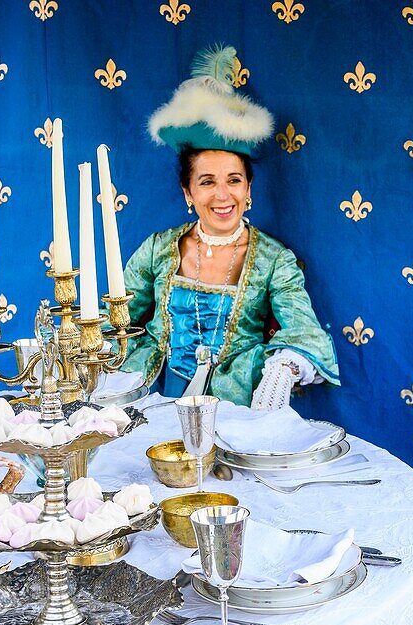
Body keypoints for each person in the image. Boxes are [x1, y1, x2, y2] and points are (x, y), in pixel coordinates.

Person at [122, 46, 339, 409]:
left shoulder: (275, 259)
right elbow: (114, 321)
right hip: (155, 402)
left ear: (249, 188)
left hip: (237, 407)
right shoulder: (157, 249)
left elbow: (305, 329)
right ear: (187, 192)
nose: (223, 195)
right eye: (207, 182)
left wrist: (283, 369)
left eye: (234, 180)